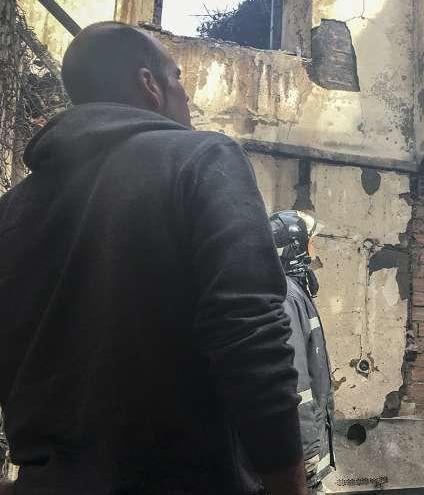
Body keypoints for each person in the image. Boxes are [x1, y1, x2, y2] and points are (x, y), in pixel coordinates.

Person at [0, 22, 307, 495]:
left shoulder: (13, 210)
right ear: (150, 85)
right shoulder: (202, 158)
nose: (186, 95)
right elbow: (248, 329)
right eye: (178, 77)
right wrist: (288, 483)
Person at [269, 211, 335, 495]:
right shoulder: (288, 297)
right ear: (295, 247)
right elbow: (296, 387)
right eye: (311, 243)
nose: (313, 251)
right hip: (300, 457)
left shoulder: (293, 293)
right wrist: (306, 457)